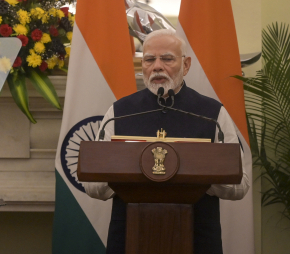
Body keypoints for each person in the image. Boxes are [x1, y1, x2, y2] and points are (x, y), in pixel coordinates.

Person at [84, 28, 249, 254]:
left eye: (167, 59)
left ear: (186, 65)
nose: (157, 66)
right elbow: (93, 186)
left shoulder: (212, 114)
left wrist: (199, 179)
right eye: (150, 59)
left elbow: (241, 185)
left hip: (197, 238)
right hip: (130, 238)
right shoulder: (119, 112)